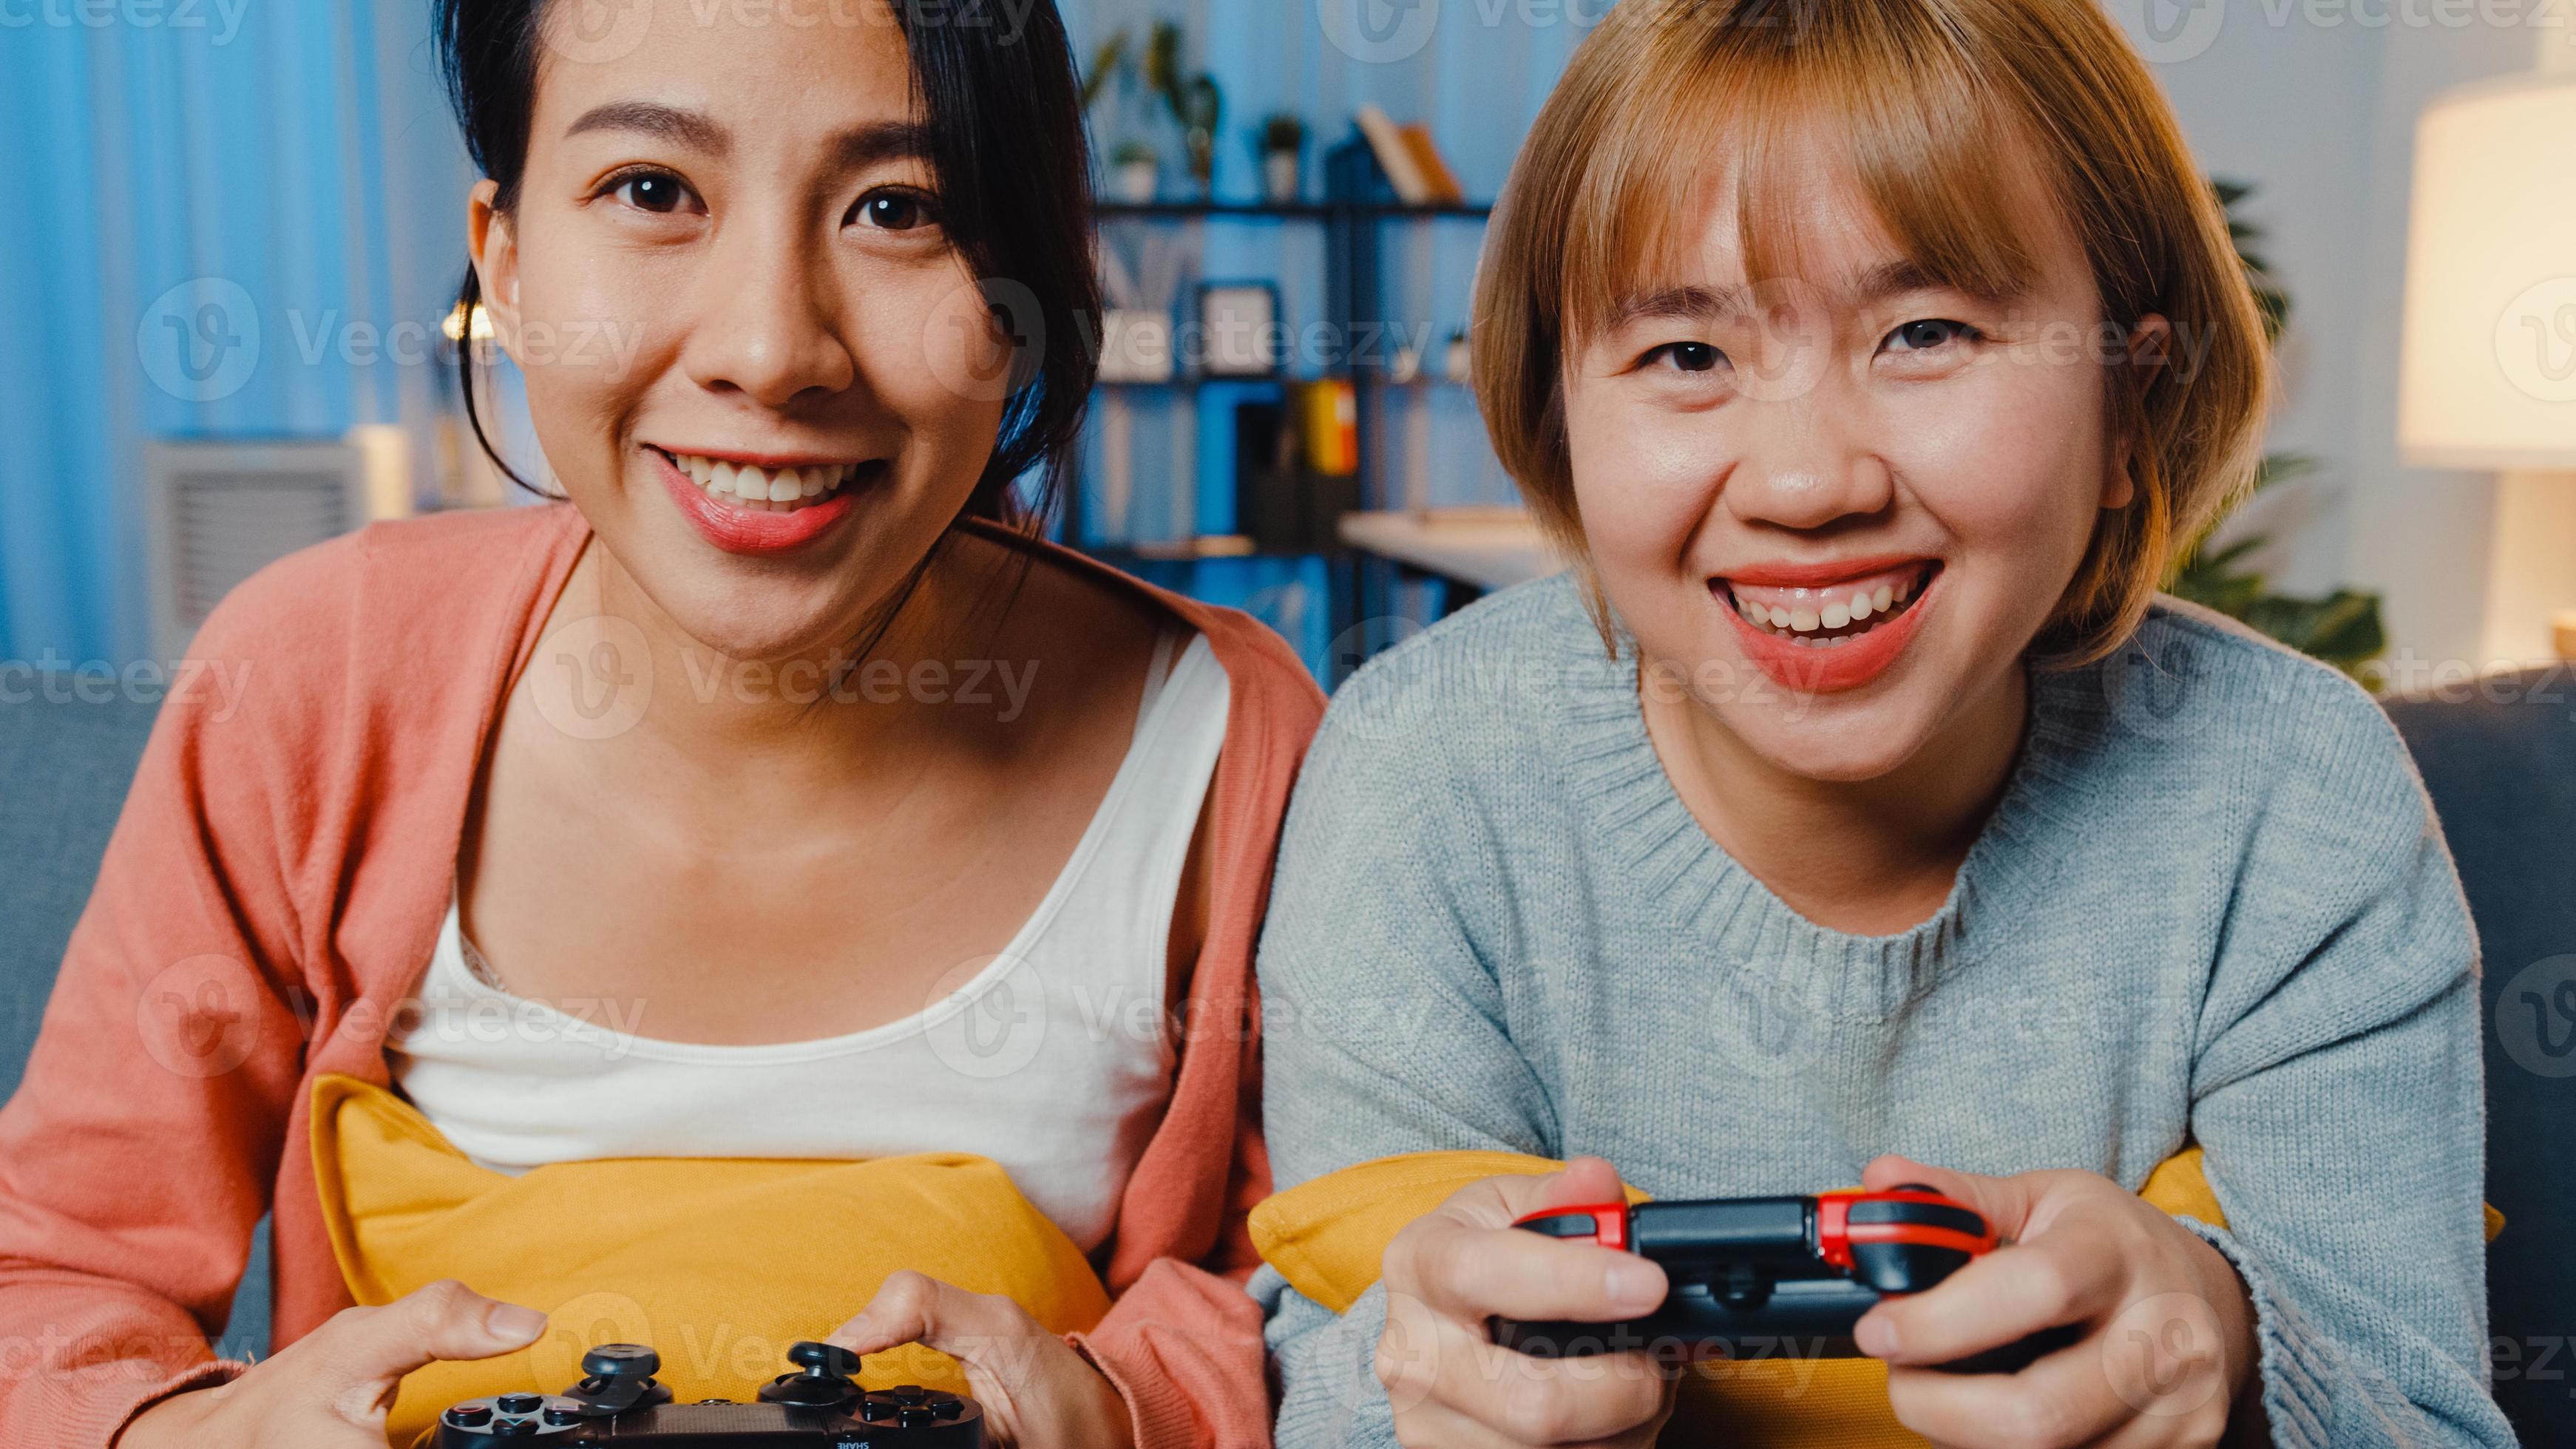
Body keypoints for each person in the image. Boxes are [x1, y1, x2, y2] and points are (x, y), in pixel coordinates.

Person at [0, 2, 1321, 1446]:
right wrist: (197, 1432)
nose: (770, 350)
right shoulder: (308, 678)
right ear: (503, 261)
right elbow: (52, 1280)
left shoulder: (1235, 753)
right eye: (652, 191)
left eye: (897, 207)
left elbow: (1309, 1291)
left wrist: (1126, 1409)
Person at [1253, 1, 2511, 1445]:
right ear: (1556, 409)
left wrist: (2223, 1344)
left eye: (1924, 331)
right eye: (1682, 352)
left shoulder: (2291, 790)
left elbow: (2427, 1417)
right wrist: (1425, 1395)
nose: (1803, 482)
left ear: (2127, 398)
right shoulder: (1419, 772)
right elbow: (1334, 1381)